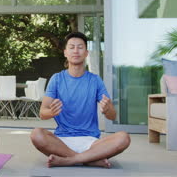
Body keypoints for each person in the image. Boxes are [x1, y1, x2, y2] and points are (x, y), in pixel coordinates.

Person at [30, 32, 130, 168]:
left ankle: (69, 160)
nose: (76, 51)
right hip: (62, 141)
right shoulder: (57, 79)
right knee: (36, 134)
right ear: (65, 52)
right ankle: (89, 159)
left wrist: (107, 110)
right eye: (71, 47)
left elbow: (112, 115)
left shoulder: (95, 80)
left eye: (80, 47)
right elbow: (43, 113)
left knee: (123, 137)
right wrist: (52, 112)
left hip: (92, 142)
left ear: (86, 53)